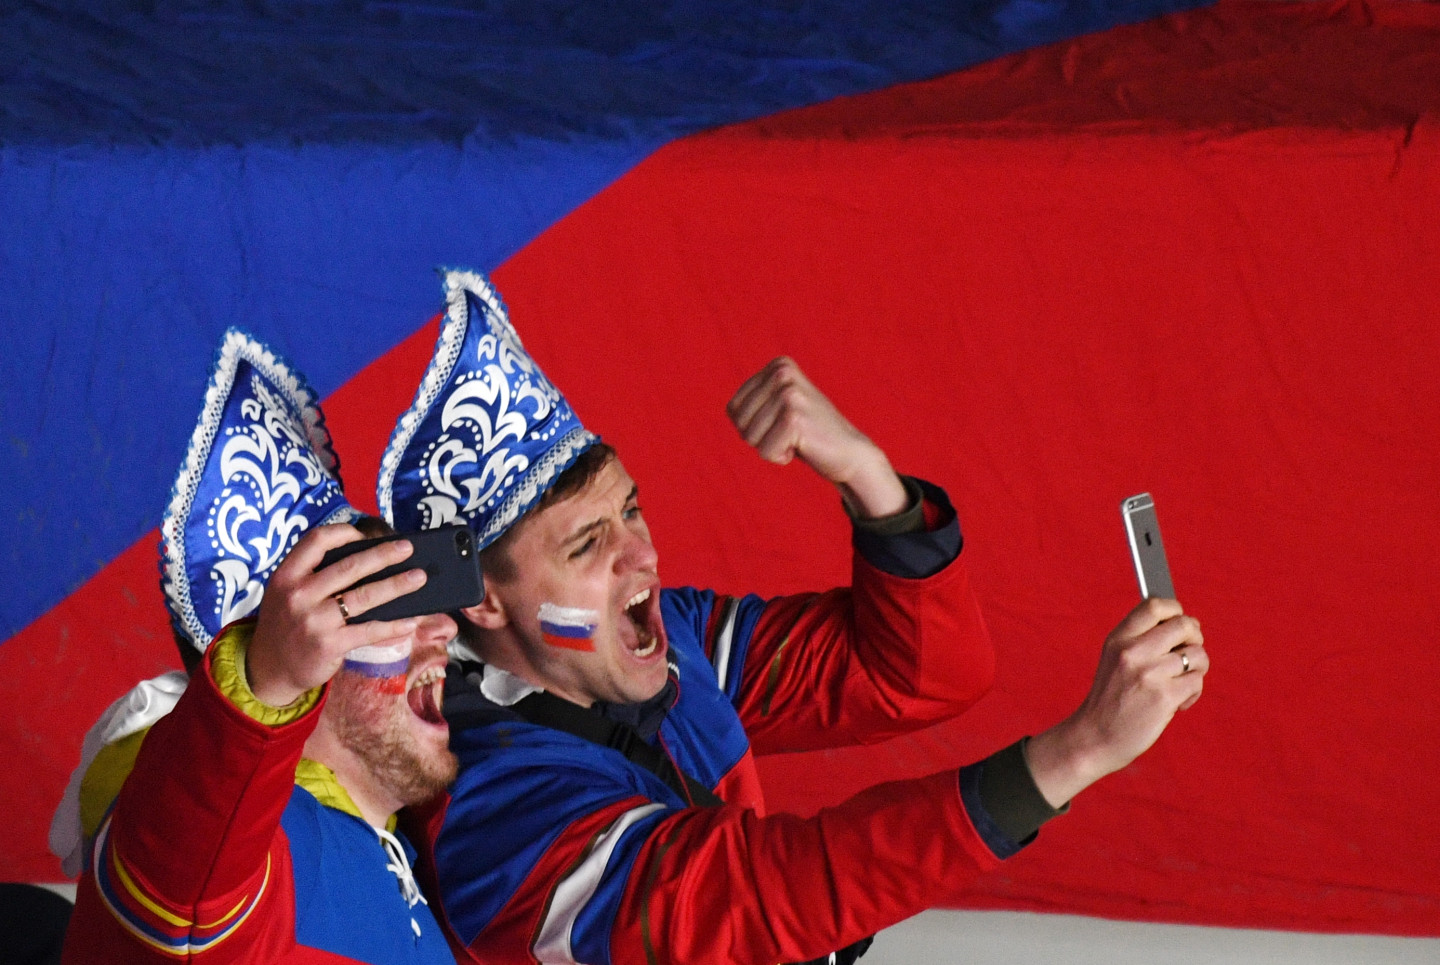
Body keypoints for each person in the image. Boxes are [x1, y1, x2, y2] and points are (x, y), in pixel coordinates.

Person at [376, 270, 1208, 965]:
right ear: (483, 600)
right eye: (588, 544)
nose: (643, 556)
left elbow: (916, 676)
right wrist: (1081, 750)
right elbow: (759, 900)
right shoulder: (485, 807)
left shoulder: (670, 641)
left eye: (631, 510)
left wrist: (871, 479)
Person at [62, 330, 459, 964]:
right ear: (303, 649)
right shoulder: (241, 860)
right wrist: (267, 679)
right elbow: (185, 878)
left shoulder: (408, 865)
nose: (445, 630)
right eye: (391, 606)